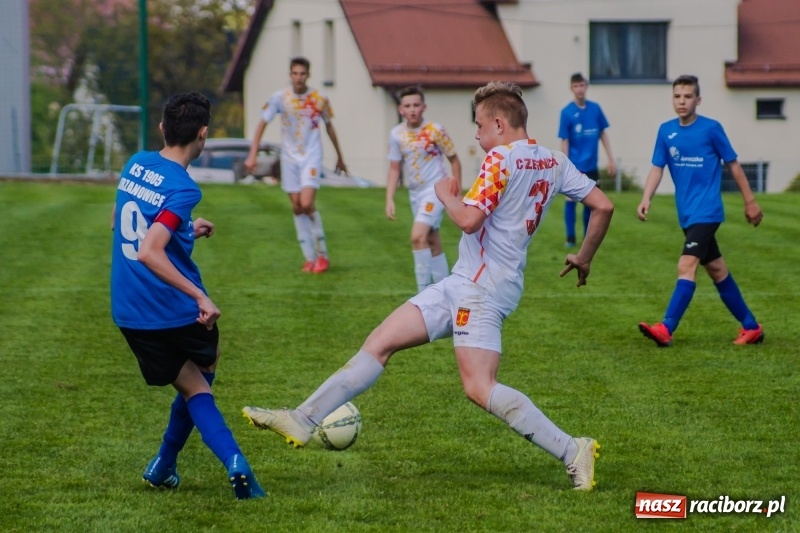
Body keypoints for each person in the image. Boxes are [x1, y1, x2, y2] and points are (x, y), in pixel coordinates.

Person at [243, 81, 615, 491]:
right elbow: (603, 205)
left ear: (498, 123)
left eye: (479, 126)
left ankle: (572, 449)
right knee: (380, 341)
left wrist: (445, 195)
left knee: (479, 386)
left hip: (482, 289)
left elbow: (468, 220)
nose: (477, 135)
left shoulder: (500, 158)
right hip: (466, 281)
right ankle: (302, 419)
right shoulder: (554, 160)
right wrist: (584, 257)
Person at [111, 92, 265, 499]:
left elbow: (122, 224)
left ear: (162, 127)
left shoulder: (135, 164)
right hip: (171, 308)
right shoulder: (183, 188)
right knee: (201, 381)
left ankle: (164, 466)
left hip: (128, 311)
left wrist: (185, 229)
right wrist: (200, 296)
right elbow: (149, 251)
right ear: (203, 134)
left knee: (191, 380)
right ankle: (234, 461)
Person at [637, 75, 764, 347]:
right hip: (687, 214)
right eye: (677, 96)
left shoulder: (711, 129)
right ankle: (751, 327)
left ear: (698, 100)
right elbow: (657, 167)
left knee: (686, 265)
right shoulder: (666, 131)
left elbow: (734, 165)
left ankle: (666, 328)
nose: (682, 101)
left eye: (687, 96)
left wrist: (750, 201)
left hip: (707, 212)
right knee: (717, 270)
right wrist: (646, 197)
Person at [245, 56, 349, 274]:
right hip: (289, 158)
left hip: (311, 156)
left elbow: (330, 127)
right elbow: (262, 124)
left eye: (302, 74)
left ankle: (322, 255)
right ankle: (309, 258)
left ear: (308, 75)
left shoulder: (319, 98)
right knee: (296, 207)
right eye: (295, 73)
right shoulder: (280, 97)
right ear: (290, 75)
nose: (299, 77)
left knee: (307, 203)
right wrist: (252, 155)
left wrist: (340, 156)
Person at [385, 86, 463, 292]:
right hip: (415, 193)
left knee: (417, 237)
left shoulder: (435, 130)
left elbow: (454, 160)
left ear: (424, 107)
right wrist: (389, 198)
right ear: (401, 109)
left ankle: (422, 294)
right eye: (407, 105)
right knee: (432, 240)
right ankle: (446, 291)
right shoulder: (396, 134)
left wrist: (456, 192)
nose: (412, 109)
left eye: (416, 105)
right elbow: (394, 168)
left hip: (436, 190)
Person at [558, 73, 616, 248]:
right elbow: (564, 140)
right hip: (575, 166)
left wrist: (610, 159)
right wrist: (566, 165)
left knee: (591, 204)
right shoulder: (566, 112)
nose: (579, 89)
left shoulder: (595, 109)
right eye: (576, 86)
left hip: (592, 166)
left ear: (586, 86)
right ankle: (570, 238)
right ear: (571, 88)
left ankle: (586, 237)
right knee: (570, 200)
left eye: (582, 85)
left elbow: (603, 134)